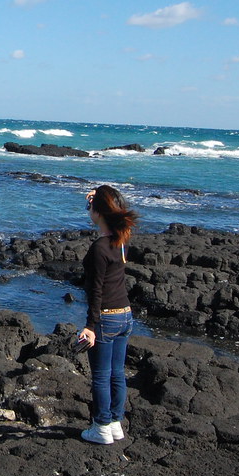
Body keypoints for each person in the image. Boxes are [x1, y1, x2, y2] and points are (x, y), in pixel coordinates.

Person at [79, 185, 138, 445]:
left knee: (101, 376)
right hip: (125, 315)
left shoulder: (100, 247)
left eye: (91, 207)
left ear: (99, 211)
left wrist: (90, 326)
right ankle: (115, 422)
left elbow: (96, 290)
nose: (88, 210)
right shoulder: (121, 239)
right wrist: (97, 198)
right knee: (117, 373)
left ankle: (101, 426)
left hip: (106, 318)